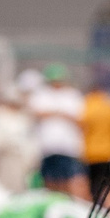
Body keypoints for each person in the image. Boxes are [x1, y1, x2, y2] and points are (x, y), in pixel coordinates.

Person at [27, 65, 90, 197]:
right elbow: (37, 113)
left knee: (73, 179)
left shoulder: (73, 95)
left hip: (69, 147)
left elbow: (79, 119)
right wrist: (60, 114)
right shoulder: (41, 94)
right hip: (47, 147)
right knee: (50, 180)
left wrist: (55, 113)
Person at [85, 67, 110, 206]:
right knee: (106, 186)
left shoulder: (87, 104)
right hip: (107, 152)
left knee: (95, 187)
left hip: (91, 153)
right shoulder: (107, 106)